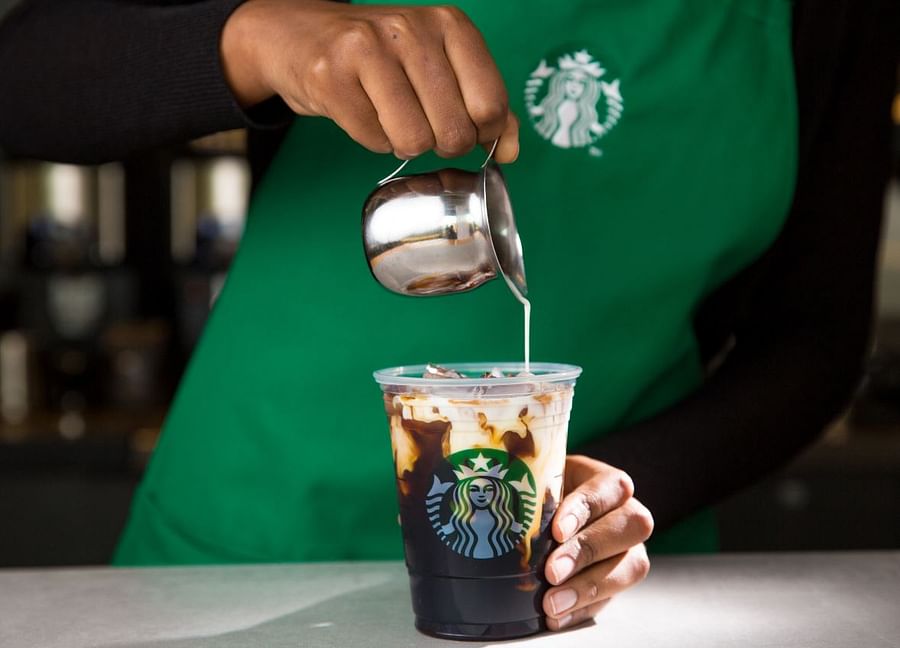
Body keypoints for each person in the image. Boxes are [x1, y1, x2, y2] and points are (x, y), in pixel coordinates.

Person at [0, 0, 896, 632]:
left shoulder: (829, 13)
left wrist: (621, 490)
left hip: (569, 581)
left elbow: (811, 344)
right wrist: (257, 37)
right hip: (240, 545)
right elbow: (24, 77)